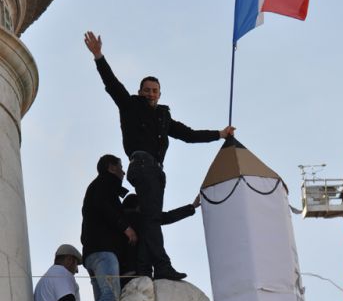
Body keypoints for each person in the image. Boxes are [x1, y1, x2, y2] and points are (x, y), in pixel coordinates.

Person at [84, 31, 235, 281]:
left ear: (160, 94)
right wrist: (98, 56)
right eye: (147, 90)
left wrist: (219, 134)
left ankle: (145, 268)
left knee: (150, 219)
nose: (150, 93)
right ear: (140, 91)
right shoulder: (131, 106)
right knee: (152, 218)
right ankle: (162, 265)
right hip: (142, 165)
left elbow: (188, 134)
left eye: (155, 90)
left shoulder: (164, 118)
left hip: (155, 170)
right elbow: (112, 85)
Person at [81, 154, 138, 301]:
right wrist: (126, 227)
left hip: (92, 253)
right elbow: (105, 207)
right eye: (121, 167)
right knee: (110, 296)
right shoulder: (105, 185)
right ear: (111, 167)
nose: (123, 171)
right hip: (104, 251)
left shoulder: (97, 187)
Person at [121, 192, 199, 282]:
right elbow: (169, 216)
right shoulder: (144, 219)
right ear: (139, 206)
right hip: (141, 272)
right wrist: (191, 207)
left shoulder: (120, 221)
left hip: (122, 271)